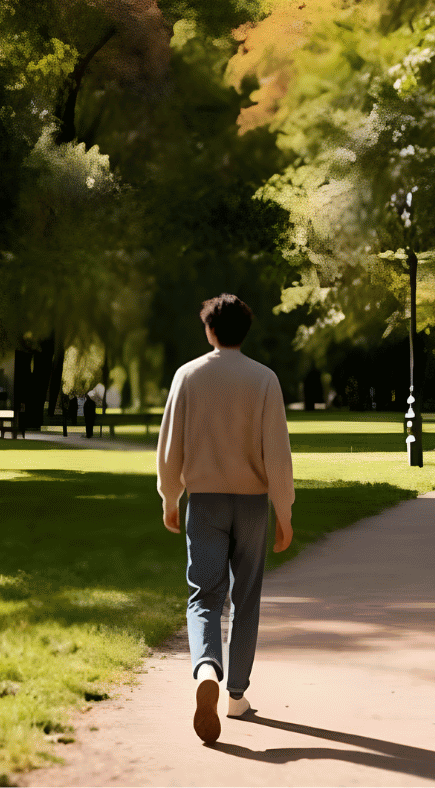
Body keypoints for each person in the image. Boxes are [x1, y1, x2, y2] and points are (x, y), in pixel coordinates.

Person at [156, 294, 295, 744]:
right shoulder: (264, 380)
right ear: (244, 331)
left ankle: (205, 670)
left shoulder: (188, 376)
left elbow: (170, 445)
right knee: (247, 596)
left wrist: (169, 497)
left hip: (206, 501)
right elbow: (278, 454)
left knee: (204, 595)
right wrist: (285, 512)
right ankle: (236, 696)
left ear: (209, 330)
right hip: (253, 503)